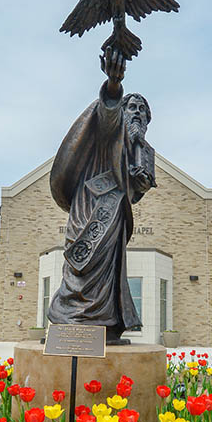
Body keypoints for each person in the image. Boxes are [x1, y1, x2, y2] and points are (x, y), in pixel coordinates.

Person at [48, 47, 156, 344]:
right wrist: (114, 85)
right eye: (130, 107)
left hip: (115, 214)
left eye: (141, 110)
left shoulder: (145, 151)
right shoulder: (109, 131)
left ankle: (104, 326)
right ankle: (69, 319)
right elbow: (108, 112)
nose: (135, 113)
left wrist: (139, 177)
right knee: (81, 263)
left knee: (107, 274)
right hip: (88, 204)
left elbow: (137, 191)